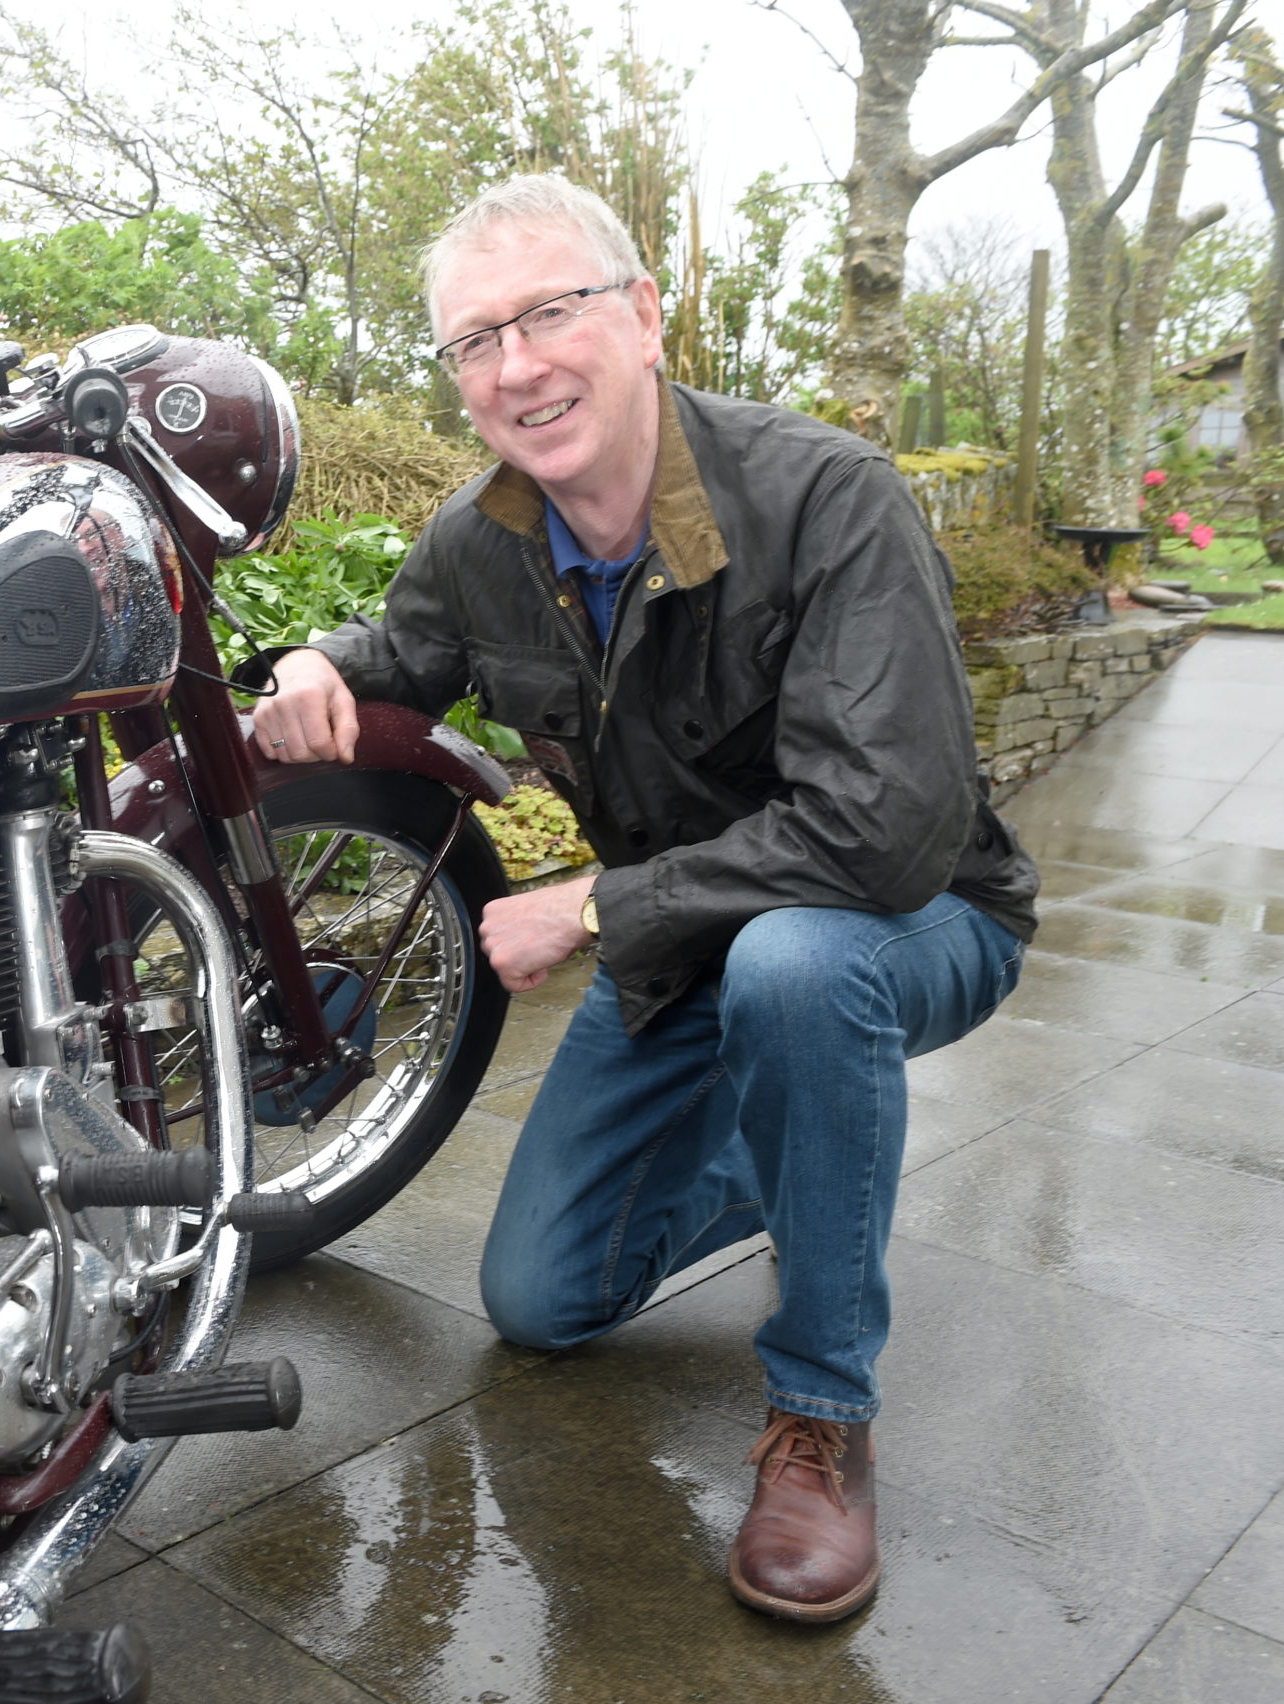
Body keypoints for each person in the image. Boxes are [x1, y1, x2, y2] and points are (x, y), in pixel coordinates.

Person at [249, 174, 1039, 1623]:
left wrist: (594, 906)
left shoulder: (826, 497)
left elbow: (884, 831)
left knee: (799, 973)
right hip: (690, 951)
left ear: (646, 315)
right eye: (475, 340)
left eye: (550, 313)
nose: (518, 365)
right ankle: (819, 1154)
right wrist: (311, 667)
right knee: (543, 1304)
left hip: (916, 916)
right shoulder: (482, 541)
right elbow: (399, 653)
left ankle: (820, 1415)